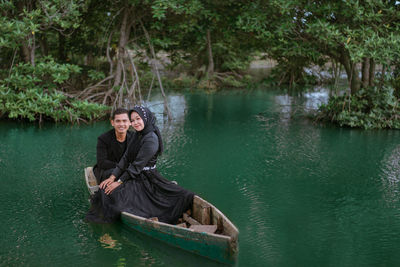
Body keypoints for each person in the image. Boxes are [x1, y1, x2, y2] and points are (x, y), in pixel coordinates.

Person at [86, 106, 194, 224]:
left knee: (114, 195)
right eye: (132, 120)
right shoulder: (138, 135)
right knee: (107, 191)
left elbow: (137, 166)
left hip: (147, 177)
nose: (135, 123)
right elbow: (126, 158)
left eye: (138, 119)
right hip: (137, 175)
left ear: (145, 118)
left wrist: (118, 182)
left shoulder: (151, 139)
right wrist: (112, 178)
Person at [93, 108, 132, 183]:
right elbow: (102, 162)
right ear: (112, 122)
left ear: (130, 122)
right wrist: (121, 167)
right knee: (115, 174)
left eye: (124, 121)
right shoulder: (103, 139)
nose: (121, 124)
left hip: (127, 169)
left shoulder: (134, 138)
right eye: (118, 121)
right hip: (108, 170)